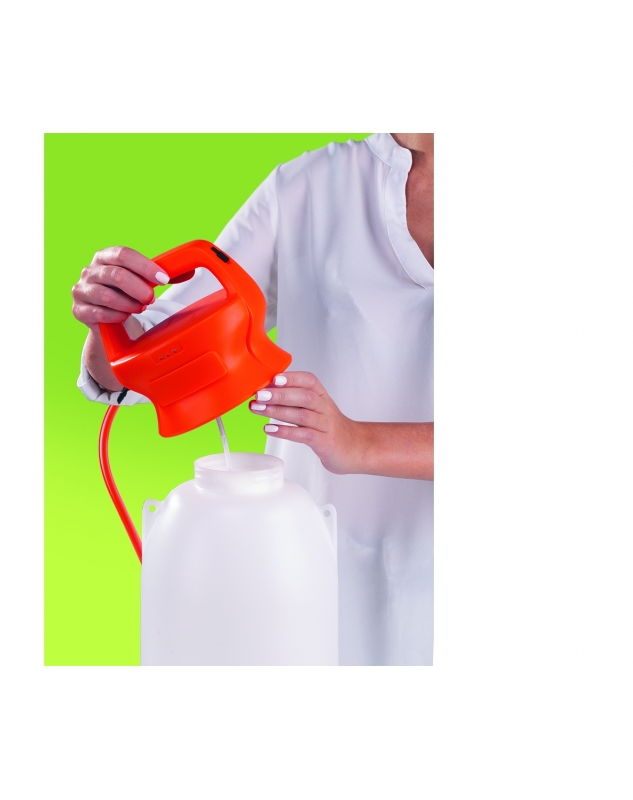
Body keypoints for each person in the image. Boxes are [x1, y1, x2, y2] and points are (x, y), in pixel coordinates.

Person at [72, 133, 434, 665]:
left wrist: (359, 442)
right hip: (305, 575)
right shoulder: (307, 188)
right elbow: (157, 352)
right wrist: (111, 317)